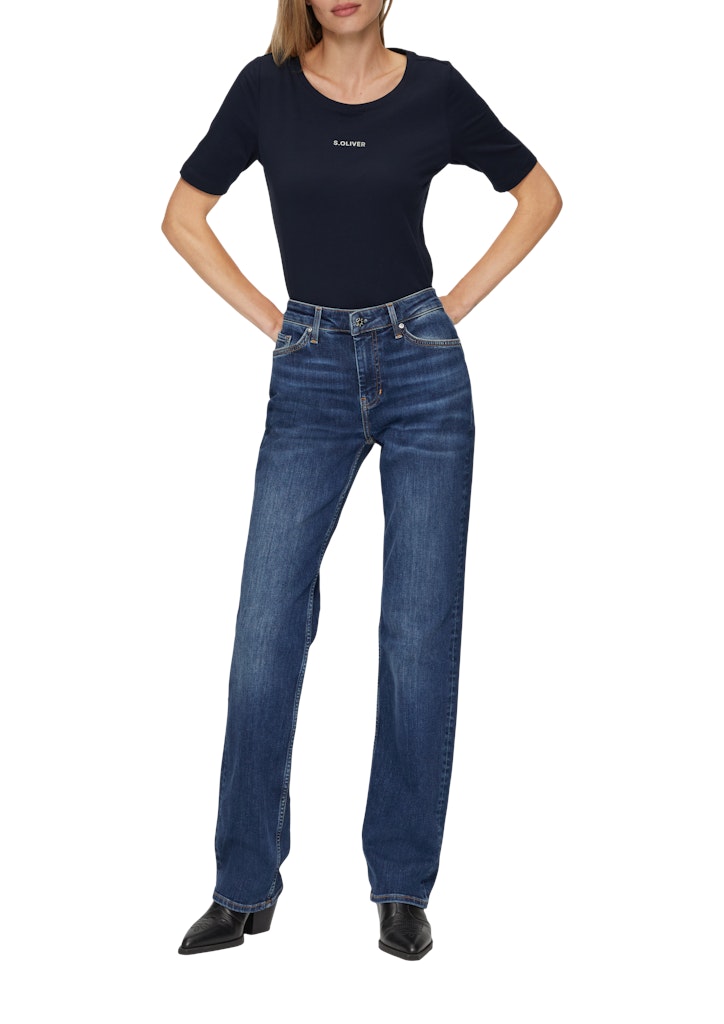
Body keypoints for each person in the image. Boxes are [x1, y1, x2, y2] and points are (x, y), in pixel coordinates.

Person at [162, 0, 561, 961]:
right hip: (310, 370)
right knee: (266, 626)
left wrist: (449, 307)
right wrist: (278, 323)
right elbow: (182, 217)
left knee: (418, 629)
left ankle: (402, 887)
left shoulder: (436, 89)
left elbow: (539, 196)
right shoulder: (265, 91)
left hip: (423, 370)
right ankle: (243, 886)